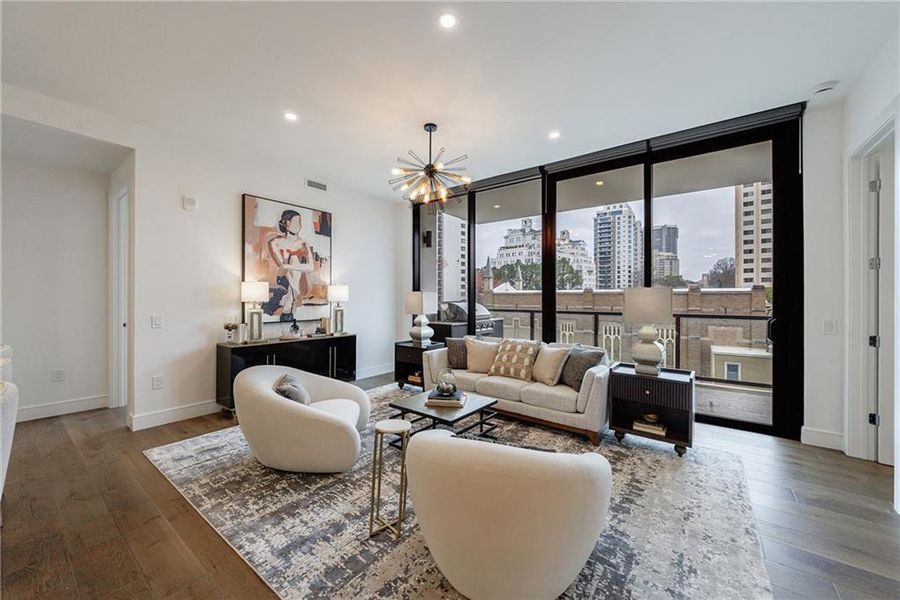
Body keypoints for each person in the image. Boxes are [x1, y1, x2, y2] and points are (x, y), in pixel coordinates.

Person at [264, 210, 315, 321]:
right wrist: (295, 289)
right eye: (297, 222)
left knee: (293, 260)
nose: (300, 226)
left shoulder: (303, 243)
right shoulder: (275, 242)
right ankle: (287, 308)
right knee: (290, 260)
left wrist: (288, 266)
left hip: (297, 278)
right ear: (287, 223)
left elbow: (311, 267)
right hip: (284, 278)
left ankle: (283, 306)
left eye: (300, 223)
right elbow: (282, 268)